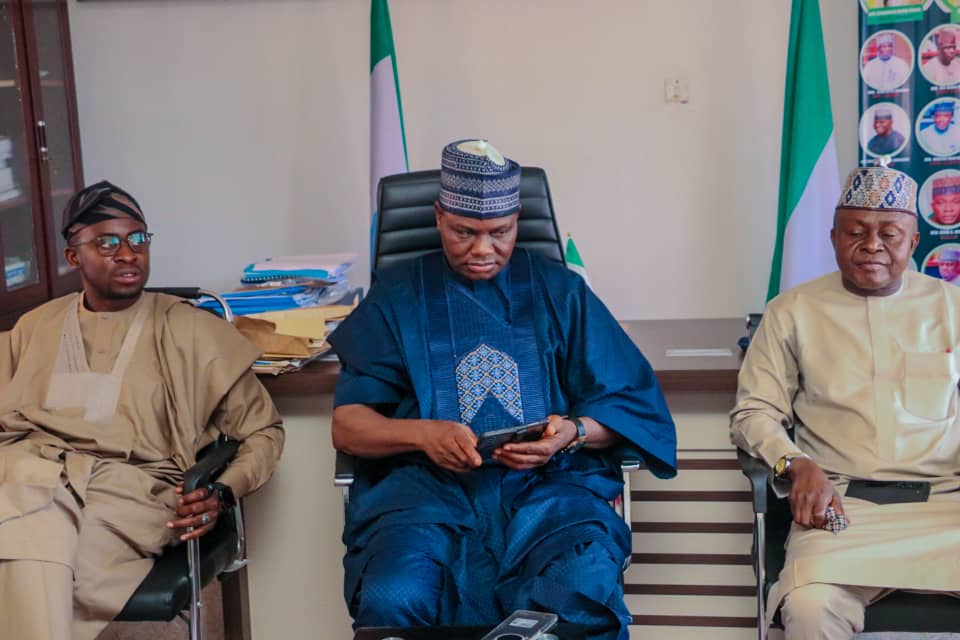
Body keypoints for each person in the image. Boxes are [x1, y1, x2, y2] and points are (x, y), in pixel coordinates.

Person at [328, 139, 677, 640]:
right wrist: (424, 435)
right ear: (438, 217)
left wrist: (571, 433)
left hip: (550, 489)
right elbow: (348, 426)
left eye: (500, 232)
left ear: (517, 220)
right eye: (464, 232)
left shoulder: (561, 292)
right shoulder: (397, 296)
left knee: (580, 587)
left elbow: (630, 407)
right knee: (395, 596)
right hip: (425, 493)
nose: (483, 249)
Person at [0, 181, 285, 640]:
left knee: (29, 556)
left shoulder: (191, 330)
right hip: (30, 478)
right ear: (73, 256)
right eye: (107, 243)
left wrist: (223, 491)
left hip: (128, 495)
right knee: (32, 542)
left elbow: (264, 431)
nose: (128, 253)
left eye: (137, 239)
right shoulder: (35, 327)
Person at [731, 165, 960, 640]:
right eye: (856, 232)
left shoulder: (952, 307)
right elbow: (754, 413)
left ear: (914, 241)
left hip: (947, 505)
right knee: (810, 607)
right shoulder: (790, 312)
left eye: (889, 234)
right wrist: (795, 463)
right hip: (842, 508)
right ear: (833, 237)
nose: (872, 245)